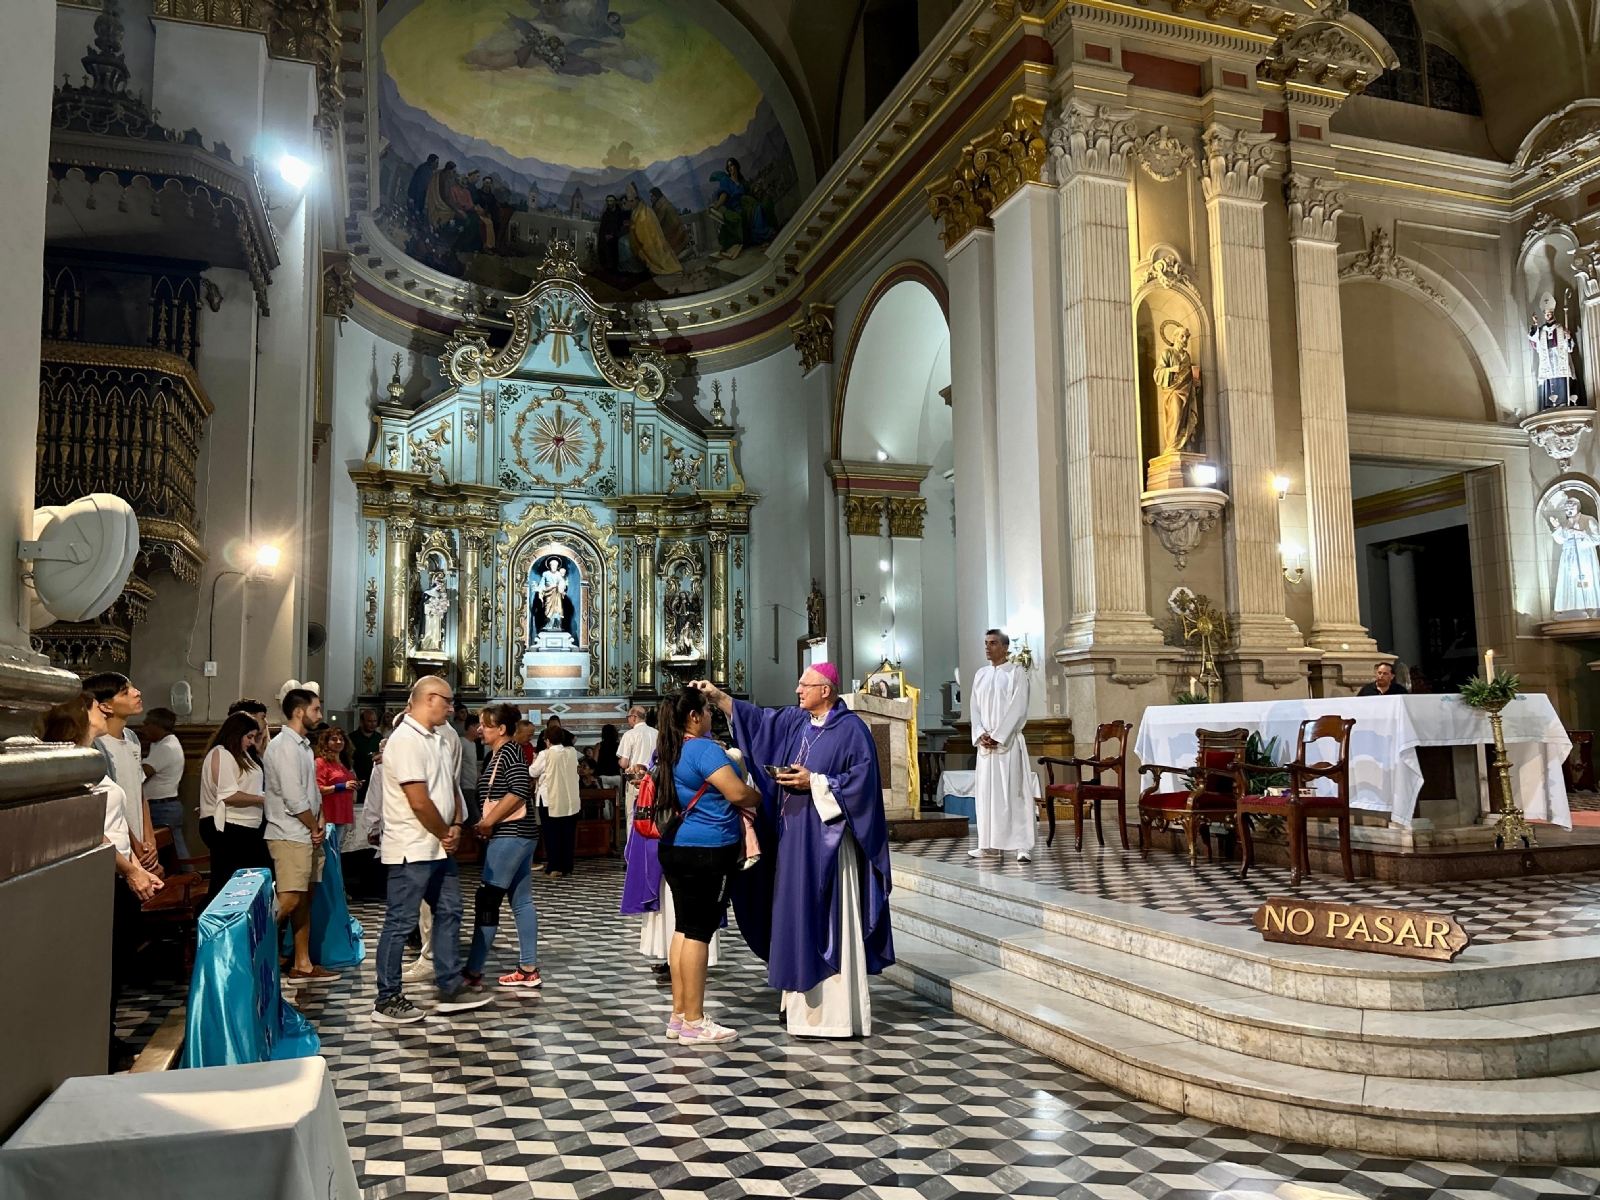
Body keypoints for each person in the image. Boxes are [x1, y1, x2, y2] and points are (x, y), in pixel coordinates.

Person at [704, 664, 894, 1039]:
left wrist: (816, 782)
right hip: (793, 844)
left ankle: (836, 1017)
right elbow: (761, 722)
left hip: (829, 845)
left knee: (827, 918)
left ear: (826, 690)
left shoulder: (852, 730)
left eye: (805, 685)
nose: (797, 690)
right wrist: (719, 697)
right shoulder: (798, 722)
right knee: (795, 918)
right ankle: (798, 1010)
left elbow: (864, 784)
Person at [41, 693, 162, 1071]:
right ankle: (98, 1046)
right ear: (79, 716)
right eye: (96, 707)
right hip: (99, 876)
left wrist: (138, 861)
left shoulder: (93, 758)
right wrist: (130, 870)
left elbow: (115, 820)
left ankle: (106, 1038)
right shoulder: (70, 764)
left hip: (117, 870)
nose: (102, 711)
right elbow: (89, 828)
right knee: (101, 967)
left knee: (116, 965)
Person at [373, 675, 492, 1023]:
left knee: (450, 910)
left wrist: (455, 823)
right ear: (428, 699)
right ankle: (387, 998)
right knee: (400, 921)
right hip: (412, 847)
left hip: (438, 847)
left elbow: (449, 786)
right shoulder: (405, 740)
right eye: (447, 701)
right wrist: (445, 831)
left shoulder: (438, 738)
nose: (452, 708)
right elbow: (418, 800)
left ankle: (450, 986)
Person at [650, 686, 763, 1046]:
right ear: (694, 716)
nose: (712, 715)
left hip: (674, 846)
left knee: (684, 928)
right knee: (699, 932)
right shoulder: (702, 749)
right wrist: (759, 795)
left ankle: (679, 1015)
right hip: (708, 850)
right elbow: (736, 792)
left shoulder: (669, 749)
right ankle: (696, 1022)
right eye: (708, 710)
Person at [465, 702, 542, 989]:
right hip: (519, 834)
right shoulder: (501, 754)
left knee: (488, 900)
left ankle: (472, 972)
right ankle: (528, 968)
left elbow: (519, 791)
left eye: (485, 725)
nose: (479, 729)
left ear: (501, 729)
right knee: (521, 901)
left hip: (511, 834)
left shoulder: (509, 752)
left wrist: (488, 822)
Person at [263, 687, 337, 982]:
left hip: (305, 832)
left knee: (304, 897)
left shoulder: (303, 746)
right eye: (315, 709)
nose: (320, 715)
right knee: (290, 898)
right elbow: (293, 798)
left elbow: (312, 792)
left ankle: (302, 963)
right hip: (289, 832)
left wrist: (320, 821)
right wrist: (313, 826)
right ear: (298, 711)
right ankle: (244, 948)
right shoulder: (284, 746)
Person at [969, 629, 1036, 864]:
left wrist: (998, 735)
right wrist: (981, 734)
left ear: (1005, 647)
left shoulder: (1016, 673)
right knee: (987, 795)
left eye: (993, 643)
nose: (988, 647)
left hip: (1008, 744)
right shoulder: (981, 674)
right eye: (986, 643)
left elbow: (1019, 707)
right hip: (986, 747)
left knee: (1013, 794)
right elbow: (974, 708)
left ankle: (1021, 845)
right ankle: (989, 845)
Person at [85, 673, 158, 877]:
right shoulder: (97, 744)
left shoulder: (132, 737)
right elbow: (111, 804)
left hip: (138, 843)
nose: (137, 693)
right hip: (119, 845)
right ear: (106, 706)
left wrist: (150, 839)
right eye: (125, 692)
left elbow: (139, 792)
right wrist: (135, 847)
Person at [198, 712, 269, 905]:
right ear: (236, 733)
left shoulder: (242, 754)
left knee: (248, 884)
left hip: (246, 827)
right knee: (226, 884)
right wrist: (263, 799)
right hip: (230, 828)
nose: (252, 742)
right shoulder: (221, 753)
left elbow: (252, 785)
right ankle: (214, 921)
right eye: (249, 736)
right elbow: (228, 795)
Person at [139, 707, 188, 862]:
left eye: (146, 724)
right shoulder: (162, 744)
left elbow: (142, 774)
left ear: (157, 725)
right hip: (163, 805)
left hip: (161, 807)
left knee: (174, 853)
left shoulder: (166, 747)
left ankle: (188, 874)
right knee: (174, 852)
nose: (143, 729)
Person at [533, 729, 581, 878]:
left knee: (552, 834)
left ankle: (554, 867)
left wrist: (535, 760)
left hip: (550, 799)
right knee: (567, 834)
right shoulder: (572, 752)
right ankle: (567, 867)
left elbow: (532, 772)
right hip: (569, 799)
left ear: (547, 741)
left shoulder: (545, 754)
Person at [315, 727, 357, 834]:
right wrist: (342, 786)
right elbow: (318, 789)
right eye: (334, 739)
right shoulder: (320, 762)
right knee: (330, 845)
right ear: (326, 742)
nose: (338, 742)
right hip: (329, 815)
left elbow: (347, 783)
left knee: (338, 845)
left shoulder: (344, 763)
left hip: (344, 813)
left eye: (341, 739)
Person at [351, 708, 382, 800]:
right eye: (369, 721)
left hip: (376, 781)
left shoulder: (379, 738)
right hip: (359, 781)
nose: (373, 724)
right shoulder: (352, 738)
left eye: (375, 721)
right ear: (361, 722)